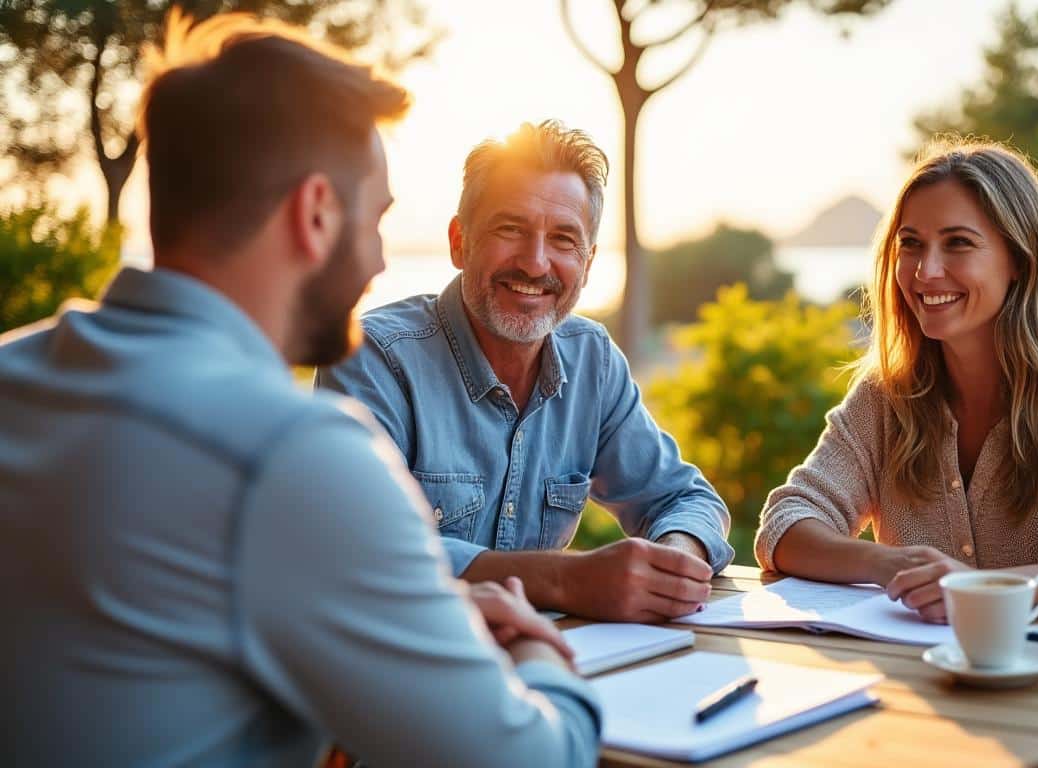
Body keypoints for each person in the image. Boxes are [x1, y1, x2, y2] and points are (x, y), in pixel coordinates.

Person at [0, 12, 599, 767]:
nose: (381, 260)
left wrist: (422, 613)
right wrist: (534, 647)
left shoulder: (14, 377)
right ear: (316, 213)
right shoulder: (294, 454)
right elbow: (537, 761)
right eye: (376, 218)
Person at [755, 141, 1038, 766]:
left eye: (958, 244)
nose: (925, 271)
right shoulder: (889, 391)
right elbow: (785, 525)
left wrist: (987, 590)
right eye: (910, 245)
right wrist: (889, 565)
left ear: (1019, 259)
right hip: (950, 720)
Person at [316, 121, 733, 623]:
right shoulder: (375, 358)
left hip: (555, 659)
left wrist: (674, 564)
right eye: (510, 229)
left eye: (562, 239)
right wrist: (565, 579)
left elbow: (683, 498)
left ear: (589, 261)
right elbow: (362, 548)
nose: (536, 264)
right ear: (459, 241)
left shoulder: (591, 361)